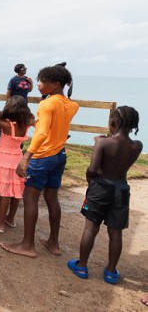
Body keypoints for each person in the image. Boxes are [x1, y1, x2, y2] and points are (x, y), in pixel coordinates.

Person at [0, 65, 79, 258]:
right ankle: (54, 242)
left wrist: (26, 157)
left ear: (56, 84)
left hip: (42, 156)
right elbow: (55, 126)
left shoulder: (46, 104)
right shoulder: (72, 105)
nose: (39, 84)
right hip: (59, 155)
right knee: (52, 198)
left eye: (43, 81)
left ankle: (27, 245)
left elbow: (42, 133)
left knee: (30, 198)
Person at [67, 106, 142, 284]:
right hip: (121, 190)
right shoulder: (137, 145)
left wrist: (98, 145)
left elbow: (92, 170)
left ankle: (82, 266)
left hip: (100, 189)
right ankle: (110, 271)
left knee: (91, 228)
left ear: (113, 122)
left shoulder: (103, 143)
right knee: (116, 232)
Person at [0, 96, 33, 233]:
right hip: (18, 159)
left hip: (5, 160)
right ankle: (10, 218)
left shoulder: (6, 125)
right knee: (16, 191)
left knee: (5, 192)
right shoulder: (26, 124)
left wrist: (1, 114)